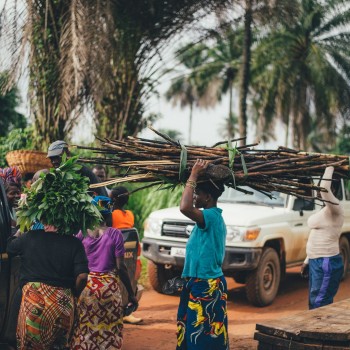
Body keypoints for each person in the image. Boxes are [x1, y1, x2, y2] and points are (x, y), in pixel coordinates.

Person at [71, 196, 139, 349]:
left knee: (85, 329)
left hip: (86, 287)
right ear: (109, 214)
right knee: (109, 331)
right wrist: (131, 293)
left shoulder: (81, 233)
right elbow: (121, 267)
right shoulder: (115, 234)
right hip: (108, 289)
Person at [176, 159, 229, 350]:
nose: (195, 197)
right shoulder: (207, 219)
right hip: (197, 282)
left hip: (207, 285)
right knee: (192, 332)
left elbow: (184, 207)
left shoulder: (212, 217)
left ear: (207, 197)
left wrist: (194, 174)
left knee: (203, 337)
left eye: (198, 193)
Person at [301, 166, 344, 309]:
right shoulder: (325, 210)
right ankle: (314, 329)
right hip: (316, 261)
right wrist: (307, 261)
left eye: (321, 185)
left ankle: (318, 330)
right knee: (313, 301)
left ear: (332, 188)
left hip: (327, 262)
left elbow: (324, 187)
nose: (319, 188)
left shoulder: (335, 208)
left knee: (320, 302)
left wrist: (330, 166)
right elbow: (316, 237)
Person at [110, 186, 143, 325]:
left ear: (113, 199)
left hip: (115, 253)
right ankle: (126, 312)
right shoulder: (129, 214)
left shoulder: (111, 215)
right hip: (130, 253)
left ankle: (116, 313)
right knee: (129, 282)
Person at [0, 167, 22, 234]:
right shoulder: (2, 213)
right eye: (12, 193)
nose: (17, 196)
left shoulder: (18, 209)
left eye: (18, 193)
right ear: (3, 196)